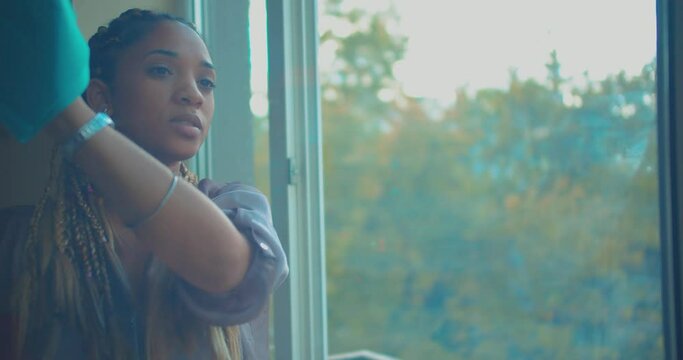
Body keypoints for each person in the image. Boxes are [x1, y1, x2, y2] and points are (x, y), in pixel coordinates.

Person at [0, 7, 288, 360]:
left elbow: (228, 272)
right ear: (102, 97)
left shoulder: (235, 210)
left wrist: (68, 116)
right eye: (161, 70)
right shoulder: (22, 244)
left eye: (206, 82)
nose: (194, 95)